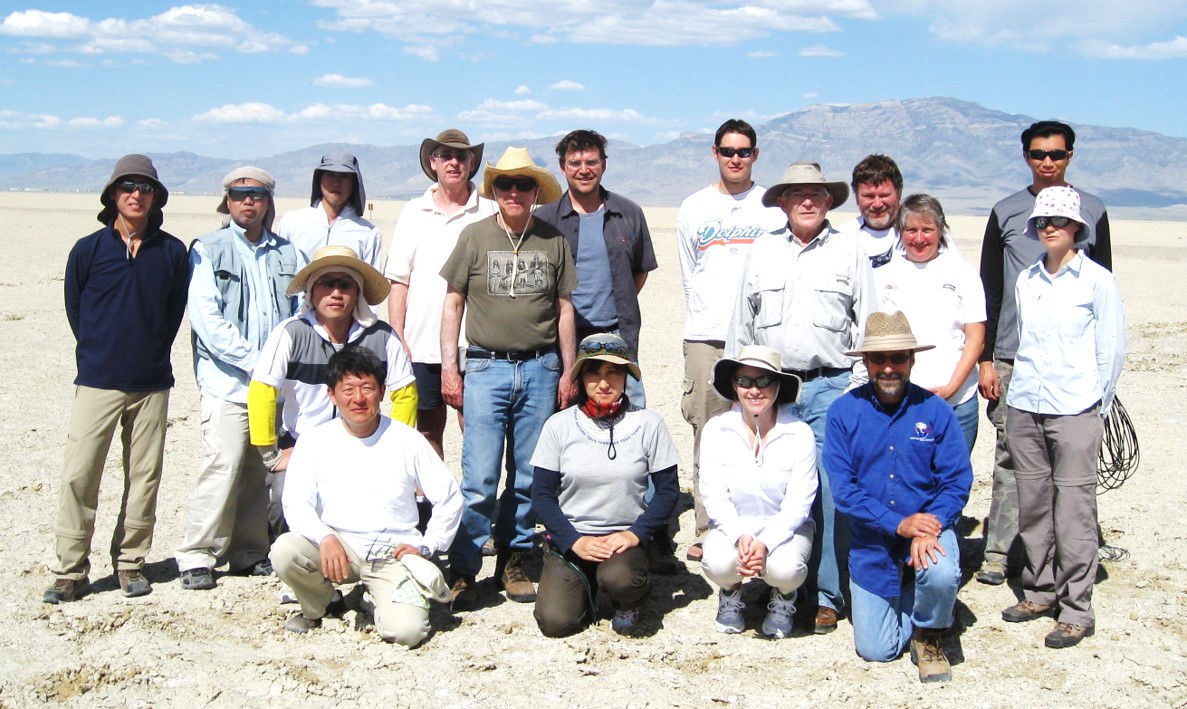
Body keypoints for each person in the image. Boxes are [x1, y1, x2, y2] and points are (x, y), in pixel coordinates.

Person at [728, 160, 876, 634]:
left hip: (833, 386)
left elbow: (868, 324)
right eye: (797, 193)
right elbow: (741, 325)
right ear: (784, 202)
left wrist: (857, 389)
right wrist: (741, 389)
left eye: (815, 193)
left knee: (829, 492)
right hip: (772, 389)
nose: (807, 200)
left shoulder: (850, 251)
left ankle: (826, 594)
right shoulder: (762, 250)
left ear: (829, 200)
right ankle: (772, 586)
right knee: (770, 487)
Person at [44, 155, 189, 603]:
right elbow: (75, 309)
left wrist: (147, 351)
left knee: (144, 476)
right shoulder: (88, 249)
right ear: (112, 194)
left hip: (150, 382)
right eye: (128, 186)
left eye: (145, 188)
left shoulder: (171, 251)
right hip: (98, 380)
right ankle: (70, 570)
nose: (136, 194)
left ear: (156, 198)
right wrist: (99, 352)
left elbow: (173, 314)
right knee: (79, 475)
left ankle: (130, 563)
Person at [976, 120, 1112, 586]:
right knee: (1012, 456)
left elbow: (1102, 287)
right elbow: (990, 290)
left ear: (1070, 156)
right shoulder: (1006, 212)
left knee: (1071, 460)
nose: (1047, 162)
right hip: (1016, 357)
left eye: (1056, 154)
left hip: (1072, 363)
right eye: (1039, 154)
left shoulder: (1092, 210)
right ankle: (999, 551)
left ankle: (1076, 550)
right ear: (1026, 157)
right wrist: (988, 358)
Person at [440, 147, 577, 608]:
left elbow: (564, 309)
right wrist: (449, 368)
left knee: (525, 477)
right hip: (484, 366)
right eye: (505, 184)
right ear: (494, 190)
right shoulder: (474, 237)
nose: (514, 192)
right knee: (478, 476)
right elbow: (453, 303)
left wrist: (568, 368)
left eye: (523, 184)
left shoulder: (552, 240)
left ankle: (514, 560)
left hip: (540, 368)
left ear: (537, 191)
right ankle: (462, 567)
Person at [1000, 186, 1125, 649]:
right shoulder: (1026, 279)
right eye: (1042, 221)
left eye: (1058, 220)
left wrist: (1098, 405)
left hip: (1075, 407)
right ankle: (1038, 590)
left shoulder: (1097, 281)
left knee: (1073, 510)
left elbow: (1110, 348)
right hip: (1026, 404)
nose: (1048, 227)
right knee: (1033, 503)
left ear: (1076, 227)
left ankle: (1076, 608)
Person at [271, 348, 462, 648]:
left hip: (392, 553)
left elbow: (449, 497)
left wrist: (426, 546)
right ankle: (322, 603)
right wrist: (324, 537)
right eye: (347, 390)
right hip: (337, 548)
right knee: (285, 550)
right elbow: (295, 503)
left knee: (408, 632)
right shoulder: (314, 441)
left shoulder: (407, 440)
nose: (358, 399)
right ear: (331, 395)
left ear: (382, 391)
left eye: (367, 388)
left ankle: (372, 600)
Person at [823, 311, 973, 683]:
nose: (888, 369)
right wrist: (897, 524)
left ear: (912, 359)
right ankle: (934, 605)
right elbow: (843, 489)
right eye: (879, 359)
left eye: (898, 358)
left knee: (939, 571)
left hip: (927, 531)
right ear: (865, 361)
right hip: (873, 543)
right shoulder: (844, 412)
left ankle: (929, 633)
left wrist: (928, 526)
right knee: (877, 650)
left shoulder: (936, 411)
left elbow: (956, 481)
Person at [175, 167, 302, 591]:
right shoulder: (207, 250)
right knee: (223, 464)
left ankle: (248, 552)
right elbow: (208, 320)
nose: (248, 201)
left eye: (257, 194)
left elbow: (300, 311)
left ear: (269, 202)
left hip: (273, 387)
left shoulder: (289, 253)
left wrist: (279, 368)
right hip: (227, 382)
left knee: (256, 470)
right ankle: (198, 555)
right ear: (227, 202)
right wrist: (259, 362)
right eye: (239, 194)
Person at [248, 245, 416, 536]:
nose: (336, 293)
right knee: (283, 502)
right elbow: (262, 389)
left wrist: (393, 451)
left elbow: (406, 393)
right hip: (302, 446)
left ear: (358, 292)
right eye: (327, 284)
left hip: (368, 447)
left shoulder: (383, 337)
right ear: (312, 291)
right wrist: (271, 455)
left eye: (345, 284)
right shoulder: (290, 333)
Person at [677, 118, 785, 563]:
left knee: (764, 429)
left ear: (755, 155)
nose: (735, 158)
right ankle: (708, 527)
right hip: (707, 336)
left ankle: (763, 525)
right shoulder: (694, 207)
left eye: (743, 151)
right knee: (710, 431)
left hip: (759, 338)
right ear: (715, 153)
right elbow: (689, 275)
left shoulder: (772, 208)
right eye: (727, 151)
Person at [530, 334, 680, 636]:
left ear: (626, 377)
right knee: (557, 623)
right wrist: (573, 540)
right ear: (581, 378)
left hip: (622, 540)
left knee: (622, 581)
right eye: (593, 372)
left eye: (613, 372)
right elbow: (542, 495)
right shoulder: (558, 425)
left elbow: (668, 491)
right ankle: (582, 584)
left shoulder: (649, 424)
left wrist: (636, 533)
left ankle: (629, 598)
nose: (603, 383)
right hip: (573, 537)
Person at [385, 129, 495, 457]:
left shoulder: (489, 210)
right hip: (421, 343)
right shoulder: (413, 211)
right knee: (428, 430)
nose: (453, 162)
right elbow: (399, 280)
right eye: (445, 156)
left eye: (461, 156)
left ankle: (474, 502)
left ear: (471, 162)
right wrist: (397, 335)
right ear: (433, 162)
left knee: (474, 426)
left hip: (475, 341)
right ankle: (434, 504)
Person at [699, 346, 816, 639]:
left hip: (786, 528)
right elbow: (713, 494)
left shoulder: (800, 433)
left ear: (778, 385)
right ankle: (730, 591)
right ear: (734, 385)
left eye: (764, 381)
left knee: (785, 570)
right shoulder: (716, 429)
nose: (754, 390)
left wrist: (764, 542)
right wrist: (741, 536)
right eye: (744, 381)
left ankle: (784, 597)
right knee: (717, 563)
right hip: (735, 525)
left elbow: (799, 504)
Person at [535, 129, 658, 408]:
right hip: (560, 339)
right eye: (575, 163)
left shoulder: (628, 213)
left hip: (616, 334)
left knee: (631, 415)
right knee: (561, 416)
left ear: (604, 164)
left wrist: (616, 301)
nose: (584, 170)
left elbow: (640, 270)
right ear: (562, 168)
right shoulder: (544, 220)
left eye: (591, 162)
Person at [874, 194, 985, 454]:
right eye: (911, 230)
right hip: (901, 402)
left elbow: (975, 338)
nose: (919, 238)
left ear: (941, 230)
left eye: (927, 229)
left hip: (958, 402)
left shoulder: (963, 274)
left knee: (951, 484)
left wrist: (951, 388)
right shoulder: (884, 276)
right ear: (900, 232)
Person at [276, 150, 382, 269]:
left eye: (344, 176)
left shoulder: (369, 233)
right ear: (319, 180)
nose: (336, 182)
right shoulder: (292, 223)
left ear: (354, 183)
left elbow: (371, 285)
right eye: (330, 174)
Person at [836, 154, 905, 268]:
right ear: (857, 198)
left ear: (899, 194)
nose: (877, 204)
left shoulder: (923, 238)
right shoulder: (840, 239)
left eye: (884, 195)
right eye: (869, 196)